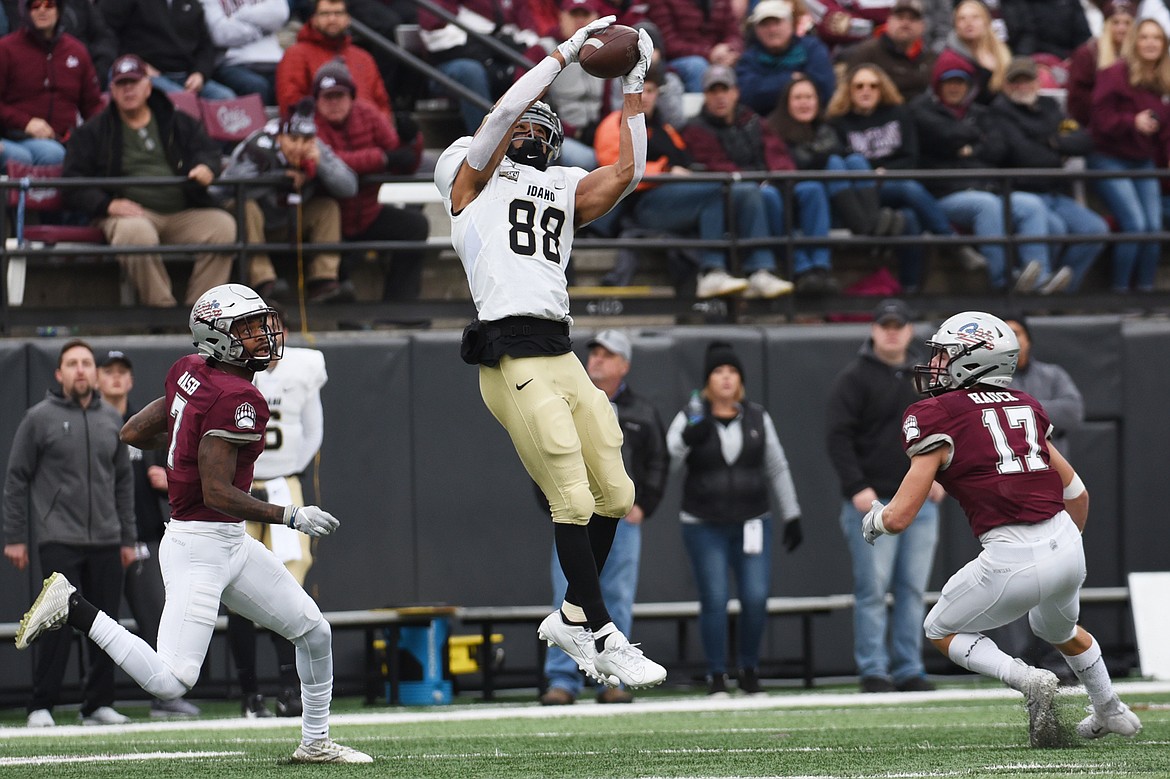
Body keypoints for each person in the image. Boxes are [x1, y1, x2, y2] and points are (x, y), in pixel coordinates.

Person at [15, 283, 371, 764]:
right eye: (249, 329)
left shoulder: (191, 370)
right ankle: (73, 605)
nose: (264, 337)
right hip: (199, 545)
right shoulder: (240, 397)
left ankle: (315, 742)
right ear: (218, 335)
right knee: (172, 679)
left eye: (262, 325)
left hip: (226, 542)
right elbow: (216, 491)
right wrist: (290, 515)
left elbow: (132, 432)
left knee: (314, 630)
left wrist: (185, 444)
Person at [433, 15, 667, 692]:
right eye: (522, 129)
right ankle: (602, 631)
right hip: (509, 354)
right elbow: (506, 108)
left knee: (615, 492)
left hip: (560, 350)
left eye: (542, 128)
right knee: (569, 492)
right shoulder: (470, 185)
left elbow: (630, 171)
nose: (530, 133)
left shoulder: (562, 186)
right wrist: (564, 53)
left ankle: (569, 614)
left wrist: (633, 87)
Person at [862, 310, 1142, 748]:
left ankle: (1028, 680)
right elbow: (1079, 493)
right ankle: (1111, 708)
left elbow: (898, 517)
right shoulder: (1026, 406)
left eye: (944, 355)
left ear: (972, 361)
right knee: (1060, 630)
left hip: (1012, 554)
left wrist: (874, 520)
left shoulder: (936, 415)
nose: (934, 363)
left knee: (939, 628)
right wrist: (1062, 551)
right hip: (1067, 544)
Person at [4, 340, 135, 728]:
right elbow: (16, 479)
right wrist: (14, 536)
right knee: (56, 622)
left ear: (95, 373)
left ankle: (97, 704)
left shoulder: (112, 420)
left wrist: (127, 539)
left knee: (107, 623)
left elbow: (124, 484)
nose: (80, 370)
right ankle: (41, 704)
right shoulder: (38, 418)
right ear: (59, 373)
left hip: (108, 541)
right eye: (72, 364)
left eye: (86, 363)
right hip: (58, 538)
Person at [666, 340, 802, 697]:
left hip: (753, 520)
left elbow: (777, 465)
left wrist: (792, 514)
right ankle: (715, 674)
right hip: (703, 523)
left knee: (756, 597)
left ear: (740, 379)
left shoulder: (757, 416)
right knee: (714, 597)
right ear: (707, 380)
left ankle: (749, 668)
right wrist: (686, 439)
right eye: (718, 372)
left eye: (732, 372)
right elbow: (668, 462)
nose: (726, 379)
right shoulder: (691, 414)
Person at [540, 329, 668, 706]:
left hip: (620, 520)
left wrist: (644, 505)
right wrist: (555, 502)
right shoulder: (561, 404)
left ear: (624, 365)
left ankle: (613, 677)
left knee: (616, 595)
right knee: (568, 593)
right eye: (594, 352)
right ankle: (563, 679)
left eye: (607, 355)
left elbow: (658, 461)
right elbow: (541, 453)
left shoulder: (642, 410)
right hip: (575, 519)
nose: (596, 359)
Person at [593, 65, 792, 299]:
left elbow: (687, 162)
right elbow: (615, 169)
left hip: (678, 199)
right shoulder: (614, 123)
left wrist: (689, 171)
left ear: (658, 94)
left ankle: (759, 270)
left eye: (650, 91)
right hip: (641, 206)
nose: (644, 97)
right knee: (718, 191)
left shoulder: (665, 128)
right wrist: (666, 170)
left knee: (744, 190)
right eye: (638, 91)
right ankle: (711, 270)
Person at [825, 299, 941, 694]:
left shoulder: (925, 378)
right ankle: (873, 669)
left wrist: (942, 477)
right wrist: (857, 487)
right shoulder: (854, 378)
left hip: (920, 502)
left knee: (912, 589)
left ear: (910, 331)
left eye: (899, 325)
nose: (892, 331)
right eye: (885, 325)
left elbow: (943, 430)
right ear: (873, 330)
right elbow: (838, 437)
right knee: (872, 589)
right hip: (873, 503)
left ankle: (909, 668)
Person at [62, 53, 235, 308]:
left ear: (148, 86)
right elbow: (72, 181)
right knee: (135, 232)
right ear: (111, 90)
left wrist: (205, 168)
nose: (128, 89)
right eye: (121, 83)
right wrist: (106, 205)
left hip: (182, 212)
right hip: (131, 214)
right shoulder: (93, 131)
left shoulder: (175, 120)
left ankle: (200, 315)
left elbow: (207, 150)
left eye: (133, 82)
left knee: (223, 226)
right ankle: (161, 309)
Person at [227, 316, 328, 719]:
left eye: (273, 328)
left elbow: (313, 432)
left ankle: (290, 688)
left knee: (288, 587)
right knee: (235, 591)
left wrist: (286, 470)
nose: (267, 338)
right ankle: (250, 692)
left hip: (284, 487)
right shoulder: (230, 370)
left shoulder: (304, 368)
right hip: (238, 490)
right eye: (257, 329)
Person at [96, 349, 201, 719]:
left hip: (148, 536)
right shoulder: (89, 424)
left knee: (158, 620)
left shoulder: (144, 426)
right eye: (108, 372)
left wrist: (167, 481)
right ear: (97, 379)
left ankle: (165, 697)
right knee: (101, 620)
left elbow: (179, 474)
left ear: (131, 380)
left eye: (122, 372)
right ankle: (98, 702)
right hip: (103, 540)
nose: (116, 378)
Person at [909, 54, 1056, 294]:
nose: (955, 87)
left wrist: (969, 148)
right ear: (938, 84)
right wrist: (976, 139)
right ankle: (1003, 279)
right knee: (986, 206)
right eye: (949, 82)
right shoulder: (923, 110)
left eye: (961, 82)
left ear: (969, 85)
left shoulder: (981, 112)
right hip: (945, 194)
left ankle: (1038, 278)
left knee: (1031, 205)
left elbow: (997, 147)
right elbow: (944, 136)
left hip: (987, 187)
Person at [992, 312, 1086, 675]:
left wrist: (1018, 413)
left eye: (1017, 333)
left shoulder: (1052, 375)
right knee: (1012, 573)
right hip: (1007, 491)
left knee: (1058, 573)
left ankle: (1056, 655)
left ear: (1029, 339)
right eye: (1006, 335)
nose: (1013, 341)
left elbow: (1074, 411)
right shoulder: (990, 381)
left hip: (1050, 491)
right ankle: (1020, 657)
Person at [683, 65, 820, 299]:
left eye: (724, 90)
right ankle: (765, 270)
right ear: (705, 95)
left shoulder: (751, 118)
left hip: (767, 185)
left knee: (809, 189)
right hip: (730, 193)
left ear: (735, 92)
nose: (720, 97)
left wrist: (777, 177)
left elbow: (777, 153)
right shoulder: (696, 128)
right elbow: (716, 165)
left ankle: (816, 268)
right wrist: (759, 181)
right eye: (713, 91)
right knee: (757, 193)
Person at [217, 97, 358, 304]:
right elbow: (226, 188)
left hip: (289, 221)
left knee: (327, 208)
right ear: (280, 137)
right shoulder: (258, 146)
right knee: (246, 206)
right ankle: (262, 281)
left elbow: (349, 188)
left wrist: (321, 166)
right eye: (293, 140)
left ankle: (323, 280)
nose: (299, 148)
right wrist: (279, 178)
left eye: (306, 140)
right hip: (252, 224)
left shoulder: (315, 148)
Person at [311, 61, 431, 302]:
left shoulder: (368, 114)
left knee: (416, 226)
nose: (334, 103)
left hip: (367, 213)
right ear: (317, 101)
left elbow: (403, 161)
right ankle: (342, 317)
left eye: (339, 96)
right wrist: (382, 158)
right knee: (336, 255)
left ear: (351, 97)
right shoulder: (310, 124)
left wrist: (412, 140)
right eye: (327, 97)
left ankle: (400, 306)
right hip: (329, 221)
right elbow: (331, 162)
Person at [991, 56, 1106, 292]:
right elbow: (1024, 155)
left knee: (1096, 229)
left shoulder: (1050, 107)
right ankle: (1038, 291)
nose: (1022, 86)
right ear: (1006, 85)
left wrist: (1052, 141)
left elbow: (1083, 139)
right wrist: (1056, 147)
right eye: (1016, 82)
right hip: (1021, 192)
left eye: (1027, 80)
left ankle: (1060, 293)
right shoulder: (999, 112)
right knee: (1056, 229)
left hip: (1054, 191)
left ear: (1037, 82)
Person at [1087, 16, 1170, 293]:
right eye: (1144, 37)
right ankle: (1120, 293)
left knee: (1154, 228)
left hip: (1143, 159)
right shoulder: (1114, 73)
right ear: (1135, 42)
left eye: (1156, 38)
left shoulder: (1162, 82)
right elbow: (1098, 119)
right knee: (1135, 225)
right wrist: (1131, 121)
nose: (1150, 43)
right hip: (1109, 156)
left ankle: (1145, 293)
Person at [0, 0, 102, 169]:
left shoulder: (76, 51)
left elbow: (92, 106)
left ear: (59, 10)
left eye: (49, 5)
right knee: (28, 156)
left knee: (61, 152)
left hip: (63, 138)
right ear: (25, 11)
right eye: (35, 5)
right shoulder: (6, 49)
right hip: (12, 137)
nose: (42, 10)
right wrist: (26, 122)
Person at [276, 0, 392, 121]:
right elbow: (291, 104)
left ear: (348, 19)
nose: (332, 19)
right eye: (325, 14)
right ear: (314, 19)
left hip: (367, 135)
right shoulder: (296, 55)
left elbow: (382, 104)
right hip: (319, 136)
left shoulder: (363, 58)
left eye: (338, 13)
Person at [101, 0, 235, 99]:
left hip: (188, 75)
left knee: (226, 98)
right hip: (147, 74)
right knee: (183, 103)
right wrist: (136, 65)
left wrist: (200, 73)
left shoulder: (192, 4)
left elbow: (205, 46)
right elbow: (106, 34)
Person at [736, 0, 835, 116]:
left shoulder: (812, 48)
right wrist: (789, 79)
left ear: (791, 24)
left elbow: (824, 88)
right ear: (756, 29)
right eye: (765, 24)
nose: (772, 30)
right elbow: (748, 96)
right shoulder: (748, 59)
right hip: (765, 126)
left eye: (777, 22)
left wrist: (768, 86)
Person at [837, 0, 936, 102]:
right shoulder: (868, 53)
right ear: (888, 22)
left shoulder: (930, 57)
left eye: (912, 19)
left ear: (922, 26)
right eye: (900, 17)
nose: (905, 23)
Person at [200, 0, 290, 105]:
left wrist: (237, 16)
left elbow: (280, 14)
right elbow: (220, 34)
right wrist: (262, 28)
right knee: (256, 86)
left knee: (290, 81)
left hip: (272, 58)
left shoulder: (241, 14)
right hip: (232, 62)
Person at [645, 0, 743, 93]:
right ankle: (701, 109)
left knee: (745, 62)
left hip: (718, 55)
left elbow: (734, 33)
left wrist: (729, 48)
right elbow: (668, 43)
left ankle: (742, 111)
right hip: (674, 60)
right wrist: (709, 53)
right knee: (697, 66)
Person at [1067, 0, 1134, 128]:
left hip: (1129, 122)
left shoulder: (1138, 55)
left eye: (1127, 23)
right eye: (1116, 22)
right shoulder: (1087, 54)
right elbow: (1077, 99)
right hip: (1094, 122)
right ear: (1106, 24)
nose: (1122, 28)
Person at [941, 0, 1013, 104]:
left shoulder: (1001, 52)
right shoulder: (949, 58)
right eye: (962, 18)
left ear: (986, 20)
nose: (968, 23)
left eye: (975, 17)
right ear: (955, 24)